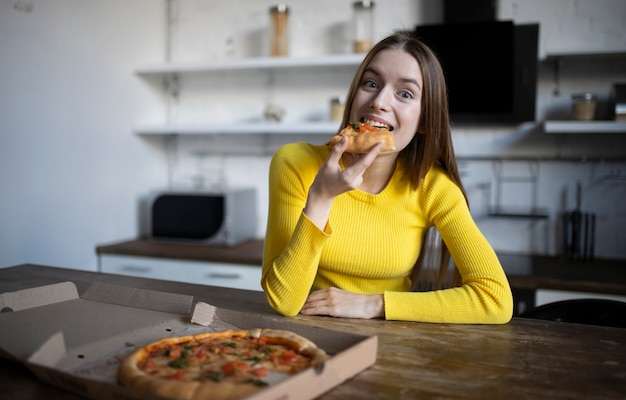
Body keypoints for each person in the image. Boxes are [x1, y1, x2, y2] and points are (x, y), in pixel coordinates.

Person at [261, 32, 513, 324]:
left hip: (393, 342)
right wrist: (321, 197)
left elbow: (495, 299)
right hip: (307, 336)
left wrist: (373, 305)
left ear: (425, 122)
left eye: (405, 94)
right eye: (371, 84)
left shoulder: (435, 188)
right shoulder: (295, 162)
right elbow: (284, 301)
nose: (379, 101)